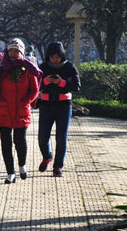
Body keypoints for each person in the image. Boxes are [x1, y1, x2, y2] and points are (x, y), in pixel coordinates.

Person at [0, 38, 41, 183]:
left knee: (20, 141)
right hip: (5, 110)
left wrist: (26, 101)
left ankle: (22, 166)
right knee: (5, 142)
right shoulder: (0, 68)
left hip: (21, 110)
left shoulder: (28, 68)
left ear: (21, 52)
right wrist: (1, 100)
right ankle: (10, 172)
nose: (13, 53)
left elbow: (35, 90)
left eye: (16, 50)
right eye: (11, 50)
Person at [38, 42, 81, 176]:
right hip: (46, 105)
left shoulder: (69, 67)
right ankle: (47, 156)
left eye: (57, 57)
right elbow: (34, 85)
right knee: (42, 137)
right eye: (52, 57)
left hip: (63, 106)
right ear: (48, 57)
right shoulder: (43, 67)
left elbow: (77, 86)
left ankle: (58, 166)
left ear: (62, 56)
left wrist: (61, 82)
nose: (55, 60)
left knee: (61, 137)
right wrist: (45, 81)